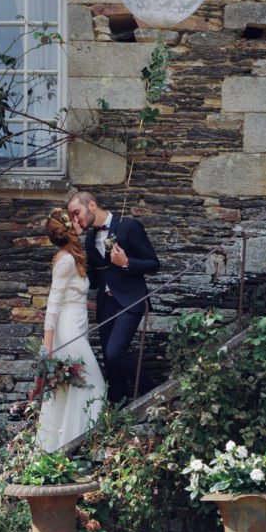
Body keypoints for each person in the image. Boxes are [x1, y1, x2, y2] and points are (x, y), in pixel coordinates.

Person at [67, 190, 160, 404]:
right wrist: (71, 275)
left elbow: (154, 264)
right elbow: (95, 276)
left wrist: (127, 262)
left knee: (114, 353)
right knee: (110, 363)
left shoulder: (129, 226)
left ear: (91, 205)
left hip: (131, 301)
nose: (76, 219)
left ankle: (154, 392)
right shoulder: (90, 238)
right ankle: (117, 408)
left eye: (77, 213)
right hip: (106, 304)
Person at [36, 208, 106, 453]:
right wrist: (48, 346)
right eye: (74, 220)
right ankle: (86, 444)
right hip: (67, 332)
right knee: (94, 385)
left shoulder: (73, 256)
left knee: (72, 391)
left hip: (77, 325)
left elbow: (73, 297)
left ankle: (62, 448)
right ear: (67, 229)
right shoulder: (65, 260)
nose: (79, 221)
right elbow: (53, 304)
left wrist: (103, 305)